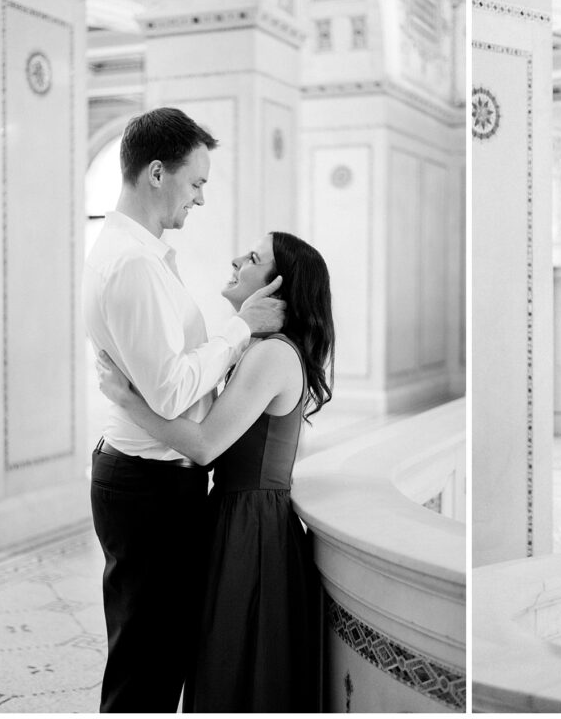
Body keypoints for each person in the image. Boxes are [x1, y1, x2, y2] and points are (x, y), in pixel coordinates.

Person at [83, 107, 285, 712]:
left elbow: (167, 384)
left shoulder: (140, 254)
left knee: (155, 654)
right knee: (144, 668)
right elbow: (172, 392)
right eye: (195, 182)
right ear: (156, 173)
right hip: (148, 487)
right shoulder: (134, 262)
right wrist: (240, 328)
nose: (200, 197)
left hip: (151, 481)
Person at [97, 230, 334, 712]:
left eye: (253, 258)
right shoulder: (258, 348)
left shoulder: (272, 354)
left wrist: (126, 400)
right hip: (235, 516)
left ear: (277, 287)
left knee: (235, 664)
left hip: (252, 529)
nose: (236, 260)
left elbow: (205, 446)